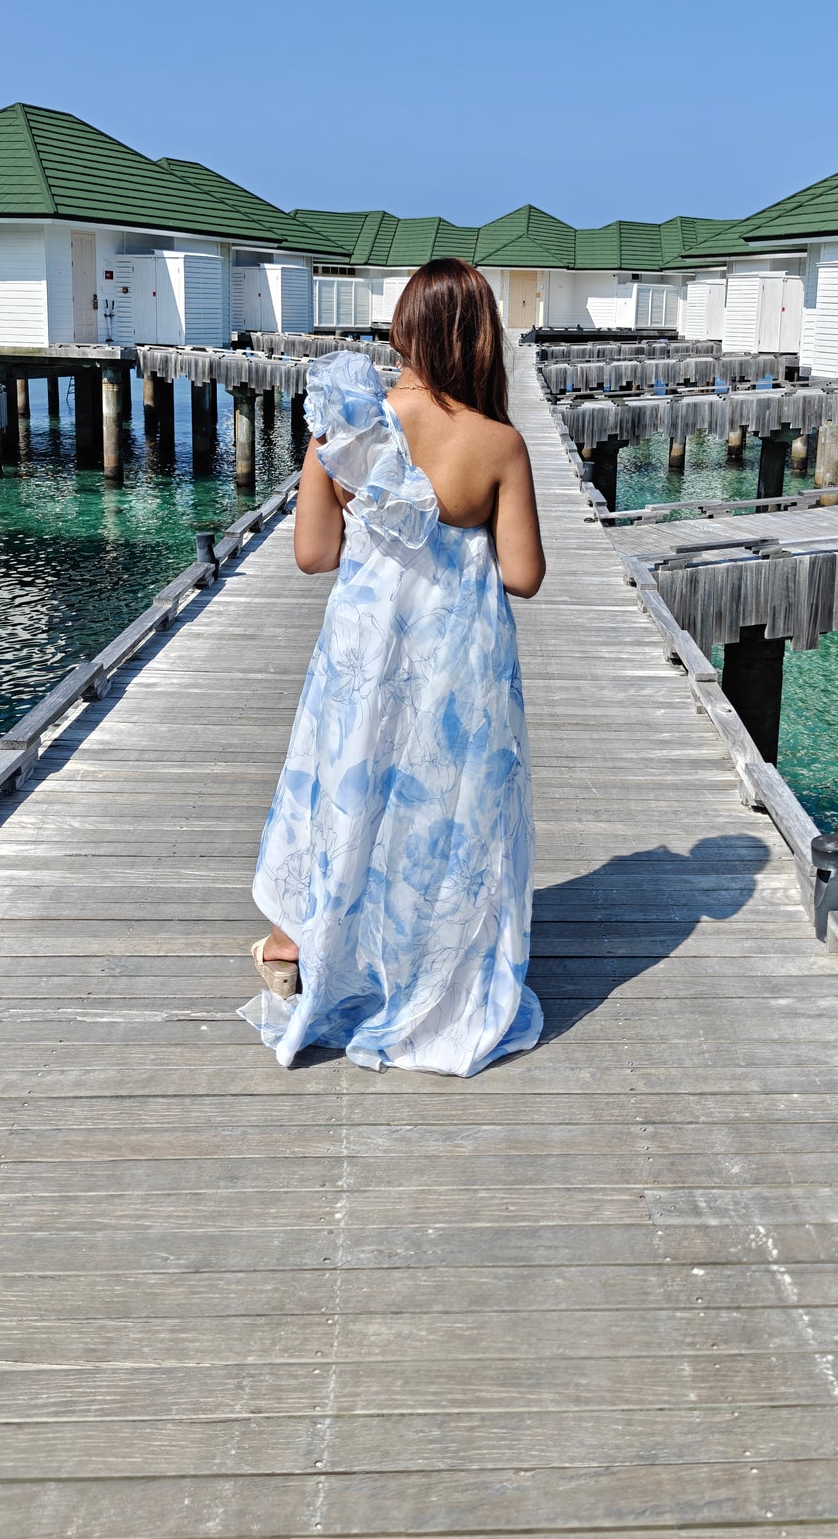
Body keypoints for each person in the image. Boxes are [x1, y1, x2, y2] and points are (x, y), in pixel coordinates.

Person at [240, 257, 546, 1075]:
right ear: (481, 341)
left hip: (364, 655)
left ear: (404, 331)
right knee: (441, 810)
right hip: (457, 660)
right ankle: (425, 963)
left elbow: (313, 554)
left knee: (346, 784)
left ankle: (294, 941)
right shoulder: (498, 444)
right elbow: (522, 575)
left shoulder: (347, 423)